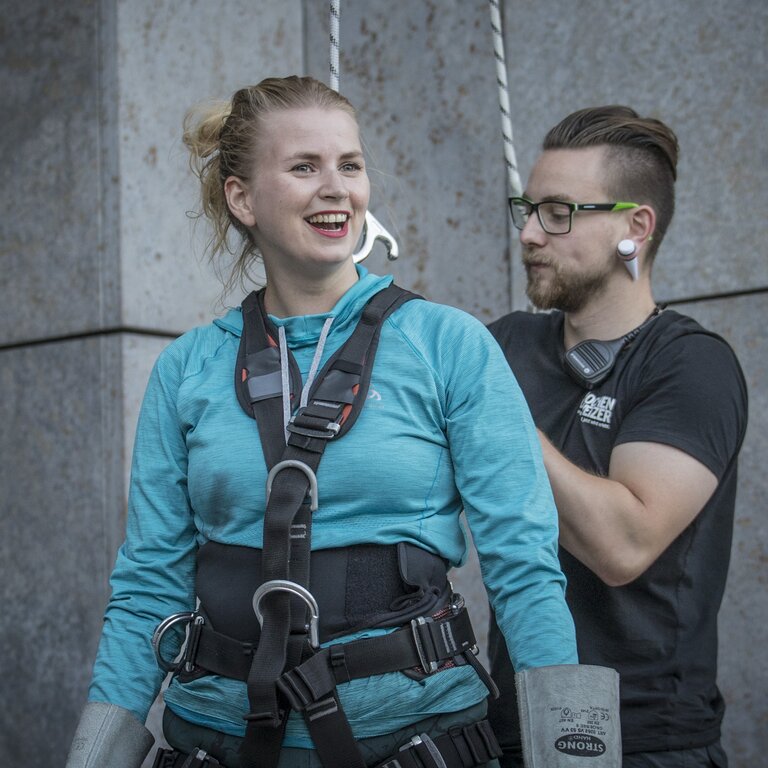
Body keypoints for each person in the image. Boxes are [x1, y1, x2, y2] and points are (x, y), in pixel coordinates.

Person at [63, 75, 613, 768]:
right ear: (242, 198)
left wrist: (576, 757)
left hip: (414, 738)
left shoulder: (448, 344)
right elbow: (149, 585)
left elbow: (524, 567)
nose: (336, 188)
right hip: (218, 739)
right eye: (303, 167)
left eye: (349, 166)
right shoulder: (188, 369)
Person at [486, 105, 748, 768]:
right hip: (506, 731)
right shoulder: (508, 344)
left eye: (559, 212)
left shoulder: (689, 364)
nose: (530, 235)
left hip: (646, 742)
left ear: (636, 228)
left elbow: (623, 544)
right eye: (528, 209)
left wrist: (492, 408)